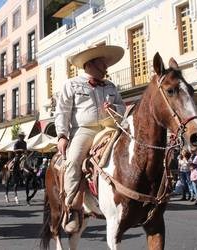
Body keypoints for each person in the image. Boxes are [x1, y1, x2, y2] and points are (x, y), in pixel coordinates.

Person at [55, 45, 126, 232]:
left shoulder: (111, 86)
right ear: (90, 64)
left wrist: (114, 108)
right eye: (102, 64)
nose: (106, 68)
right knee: (72, 161)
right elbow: (62, 111)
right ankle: (72, 208)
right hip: (84, 130)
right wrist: (62, 135)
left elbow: (122, 107)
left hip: (110, 127)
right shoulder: (71, 84)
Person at [5, 131, 27, 204]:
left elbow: (26, 149)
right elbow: (14, 150)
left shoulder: (25, 143)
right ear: (19, 136)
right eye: (21, 136)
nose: (22, 137)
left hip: (23, 155)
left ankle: (25, 175)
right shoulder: (17, 143)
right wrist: (20, 150)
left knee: (28, 162)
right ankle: (12, 170)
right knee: (17, 161)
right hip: (18, 155)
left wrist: (25, 152)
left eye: (23, 136)